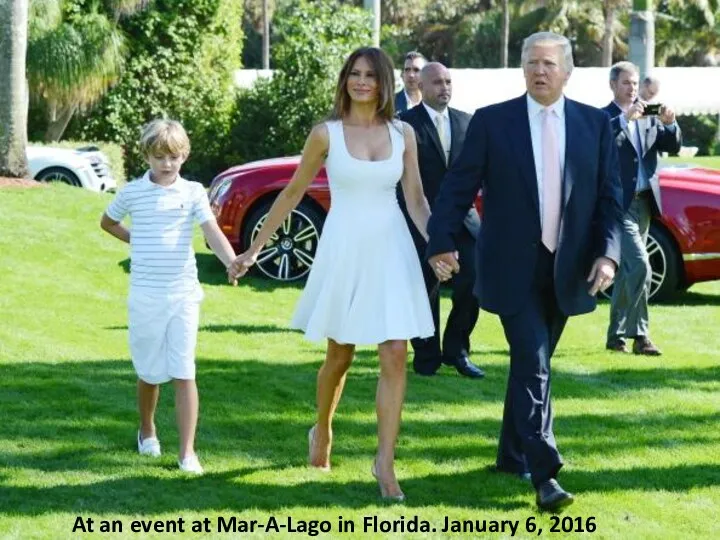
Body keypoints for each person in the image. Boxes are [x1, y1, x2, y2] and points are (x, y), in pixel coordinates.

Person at [426, 32, 623, 511]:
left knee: (531, 366)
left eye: (549, 64)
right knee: (534, 362)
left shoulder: (594, 124)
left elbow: (609, 199)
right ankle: (545, 475)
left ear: (568, 71)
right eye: (532, 63)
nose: (540, 71)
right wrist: (441, 242)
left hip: (568, 268)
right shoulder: (494, 122)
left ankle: (510, 455)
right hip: (510, 267)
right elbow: (458, 187)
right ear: (522, 69)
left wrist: (608, 255)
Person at [230, 47, 434, 501]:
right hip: (344, 249)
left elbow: (417, 200)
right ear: (345, 80)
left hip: (391, 249)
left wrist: (440, 245)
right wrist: (253, 250)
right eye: (354, 74)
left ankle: (385, 461)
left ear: (384, 83)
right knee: (339, 356)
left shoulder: (404, 134)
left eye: (370, 75)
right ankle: (321, 428)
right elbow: (291, 193)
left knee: (395, 353)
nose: (361, 82)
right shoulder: (326, 134)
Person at [100, 119, 238, 475]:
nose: (167, 163)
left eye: (174, 156)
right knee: (150, 372)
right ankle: (147, 430)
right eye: (160, 156)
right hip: (145, 296)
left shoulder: (193, 192)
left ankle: (187, 453)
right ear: (148, 155)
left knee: (183, 370)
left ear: (184, 156)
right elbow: (108, 222)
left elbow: (211, 231)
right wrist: (137, 240)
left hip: (183, 295)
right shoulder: (132, 192)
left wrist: (231, 261)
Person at [398, 62, 484, 379]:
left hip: (465, 221)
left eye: (448, 81)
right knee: (425, 289)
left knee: (473, 283)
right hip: (421, 221)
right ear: (420, 85)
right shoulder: (404, 124)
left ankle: (457, 351)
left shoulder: (468, 122)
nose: (444, 87)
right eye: (436, 82)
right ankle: (427, 355)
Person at [604, 62, 681, 356]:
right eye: (626, 83)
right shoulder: (604, 117)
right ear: (613, 85)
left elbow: (671, 144)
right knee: (641, 266)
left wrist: (671, 123)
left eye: (635, 83)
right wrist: (625, 120)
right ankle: (641, 336)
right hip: (618, 206)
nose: (632, 88)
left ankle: (615, 336)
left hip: (645, 202)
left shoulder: (648, 114)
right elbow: (603, 145)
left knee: (628, 273)